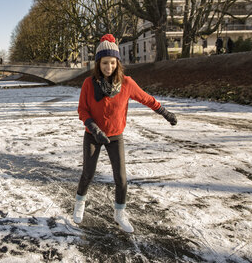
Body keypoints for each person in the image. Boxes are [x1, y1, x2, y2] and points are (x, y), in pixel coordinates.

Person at [74, 34, 177, 233]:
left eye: (112, 62)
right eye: (105, 63)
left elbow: (147, 99)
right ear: (98, 63)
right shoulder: (89, 83)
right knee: (88, 173)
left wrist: (165, 112)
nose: (108, 67)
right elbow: (82, 110)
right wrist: (94, 129)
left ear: (117, 63)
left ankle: (119, 213)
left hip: (115, 136)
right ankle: (80, 203)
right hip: (93, 135)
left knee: (121, 179)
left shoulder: (127, 83)